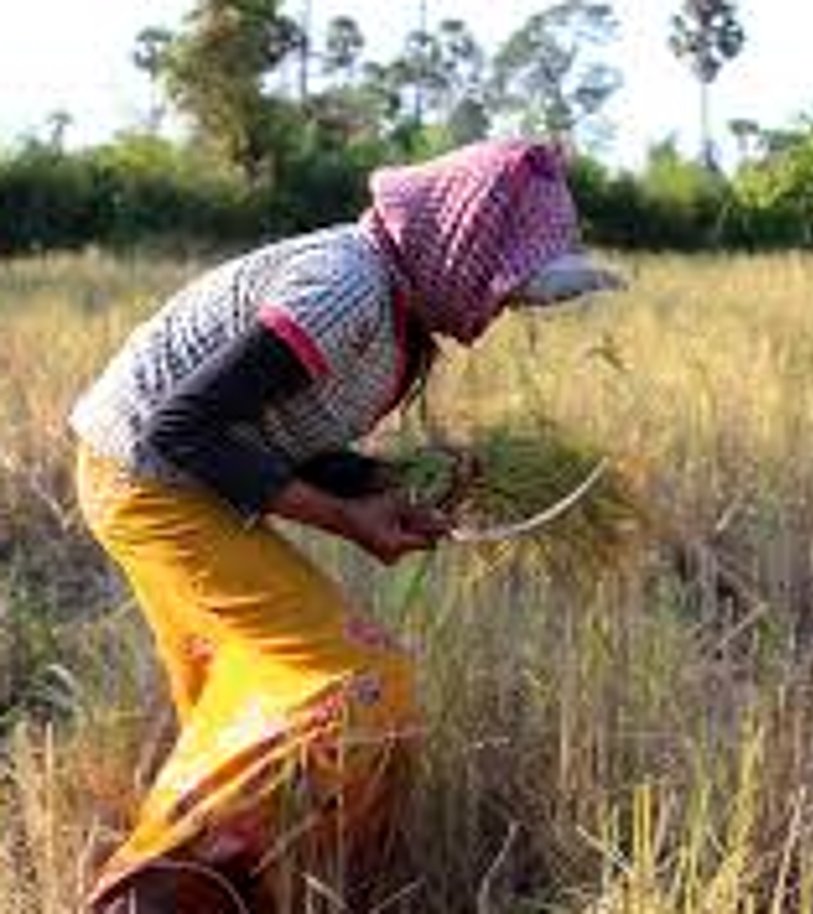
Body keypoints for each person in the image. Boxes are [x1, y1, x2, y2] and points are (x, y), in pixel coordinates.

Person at [70, 138, 622, 913]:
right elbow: (182, 430)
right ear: (458, 251)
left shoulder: (396, 308)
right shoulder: (344, 291)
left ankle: (263, 884)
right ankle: (159, 896)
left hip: (184, 474)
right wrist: (345, 518)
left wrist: (391, 479)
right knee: (354, 680)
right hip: (148, 481)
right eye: (501, 292)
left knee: (251, 677)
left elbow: (278, 432)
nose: (497, 313)